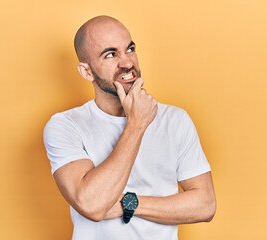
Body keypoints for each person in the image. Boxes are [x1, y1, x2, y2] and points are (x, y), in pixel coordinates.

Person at [43, 15, 216, 240]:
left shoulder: (175, 119)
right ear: (86, 72)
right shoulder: (66, 126)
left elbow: (205, 205)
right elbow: (92, 205)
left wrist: (130, 202)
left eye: (130, 49)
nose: (126, 62)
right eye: (111, 54)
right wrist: (136, 124)